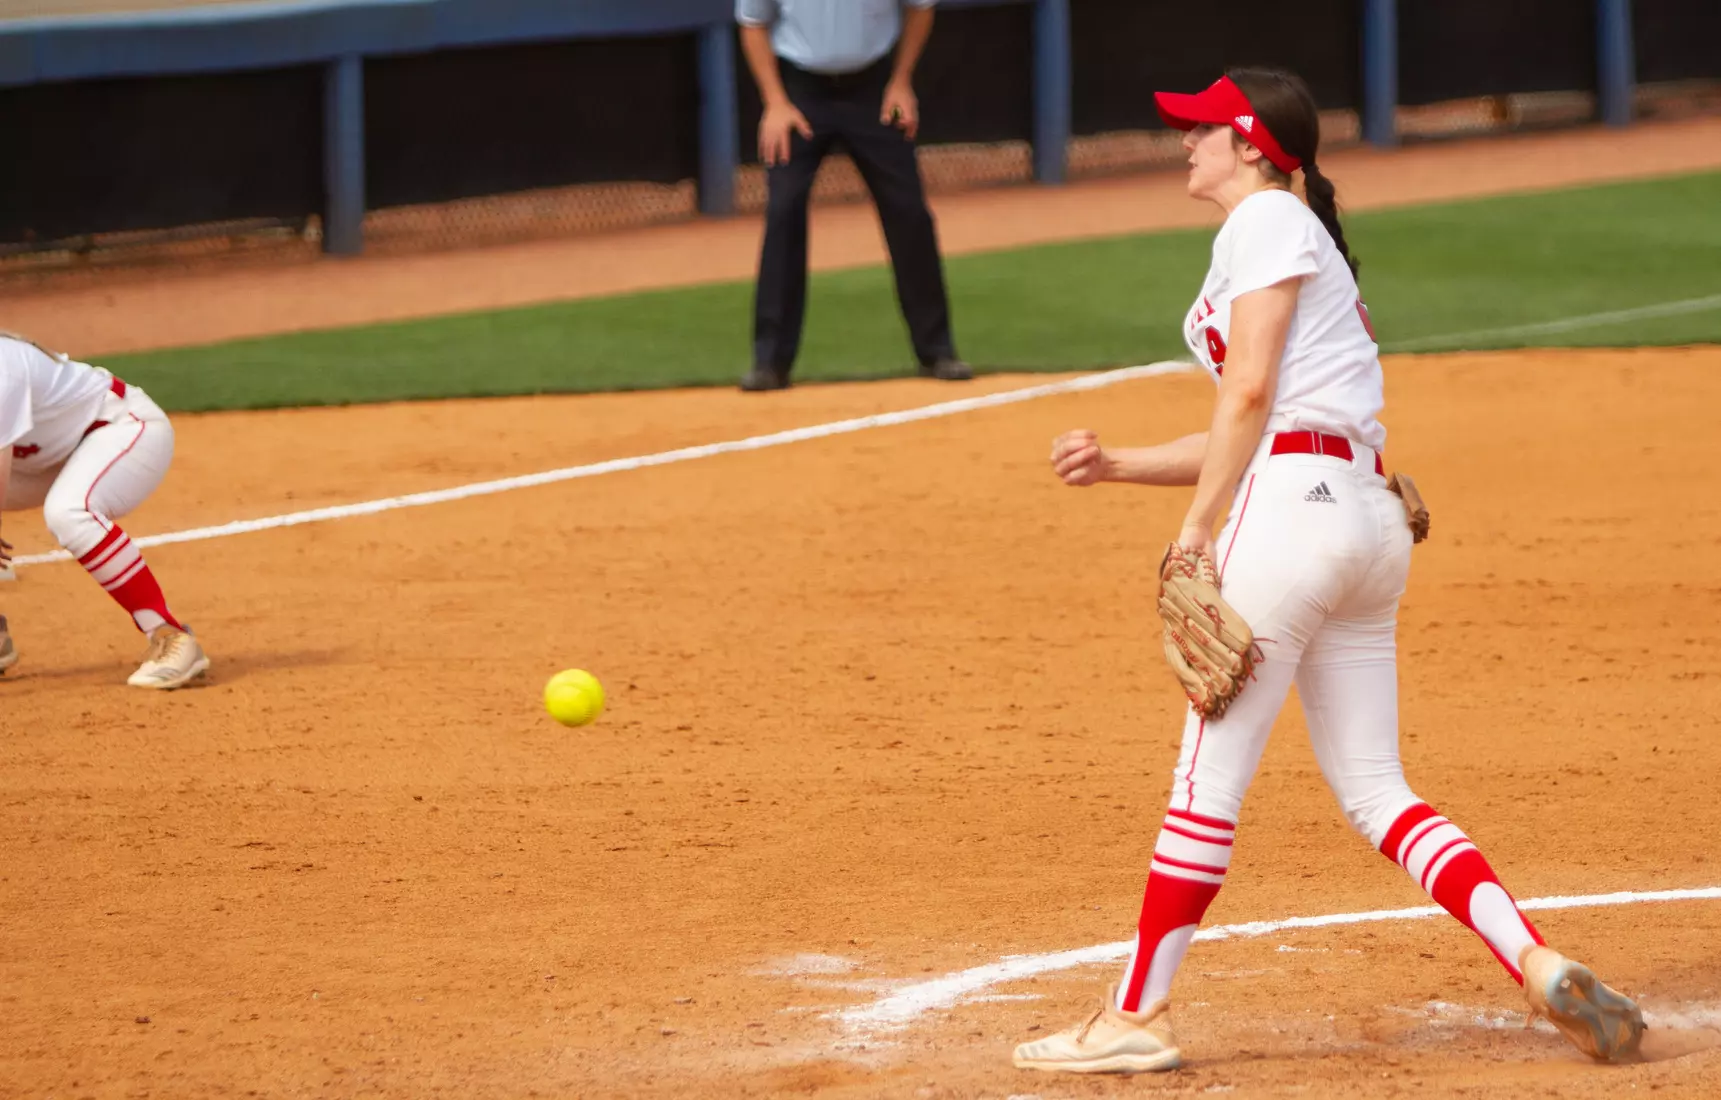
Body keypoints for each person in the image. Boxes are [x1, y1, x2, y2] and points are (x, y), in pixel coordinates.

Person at [1011, 69, 1644, 1075]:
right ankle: (1533, 958)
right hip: (1360, 517)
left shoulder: (1264, 219)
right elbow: (1258, 418)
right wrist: (1120, 463)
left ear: (1250, 144)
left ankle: (1135, 1012)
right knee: (1376, 787)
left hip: (1291, 520)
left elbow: (1251, 396)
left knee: (1205, 781)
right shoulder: (1287, 229)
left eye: (1200, 128)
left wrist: (1195, 529)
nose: (1183, 142)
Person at [735, 0, 971, 391]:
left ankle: (938, 351)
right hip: (800, 93)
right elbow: (752, 24)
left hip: (874, 90)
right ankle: (770, 362)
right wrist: (775, 102)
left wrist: (901, 81)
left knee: (909, 212)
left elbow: (921, 7)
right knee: (783, 212)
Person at [0, 333, 209, 689]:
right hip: (47, 459)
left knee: (69, 511)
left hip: (123, 431)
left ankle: (171, 635)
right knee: (66, 506)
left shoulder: (5, 366)